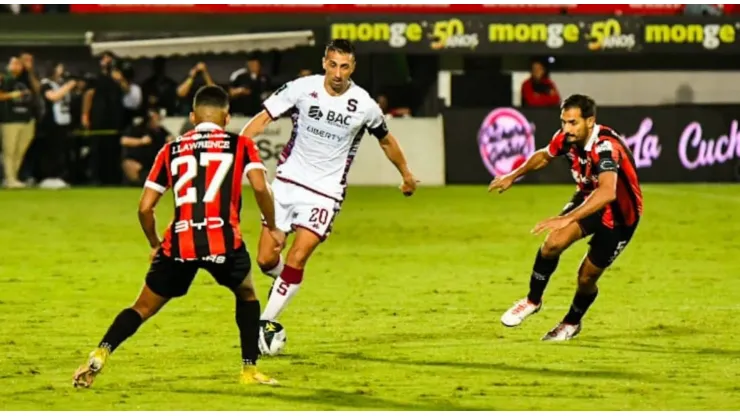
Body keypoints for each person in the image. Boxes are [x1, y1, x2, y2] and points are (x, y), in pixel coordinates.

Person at [73, 85, 286, 388]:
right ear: (227, 118)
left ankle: (100, 353)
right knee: (247, 295)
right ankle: (249, 370)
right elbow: (262, 188)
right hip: (223, 240)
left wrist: (154, 245)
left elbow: (145, 207)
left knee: (142, 307)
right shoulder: (240, 145)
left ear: (192, 117)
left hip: (179, 243)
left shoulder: (171, 149)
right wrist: (272, 225)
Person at [240, 39, 418, 329]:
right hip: (287, 183)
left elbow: (386, 140)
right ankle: (287, 282)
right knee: (264, 258)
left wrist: (406, 174)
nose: (337, 73)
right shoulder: (301, 88)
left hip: (325, 192)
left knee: (298, 256)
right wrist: (240, 151)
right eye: (333, 65)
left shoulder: (364, 105)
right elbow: (262, 119)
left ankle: (264, 325)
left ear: (353, 67)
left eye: (344, 67)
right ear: (325, 62)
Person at [489, 94, 642, 341]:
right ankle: (532, 301)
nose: (566, 129)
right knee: (552, 244)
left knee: (586, 277)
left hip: (619, 217)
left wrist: (566, 218)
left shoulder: (606, 147)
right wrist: (512, 175)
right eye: (563, 122)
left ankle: (571, 322)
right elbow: (543, 156)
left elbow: (607, 192)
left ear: (590, 121)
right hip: (587, 197)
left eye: (573, 123)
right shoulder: (566, 139)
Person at [36, 62, 77, 189]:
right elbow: (53, 97)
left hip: (64, 120)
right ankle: (49, 176)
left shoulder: (60, 83)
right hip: (51, 121)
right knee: (51, 150)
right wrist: (68, 87)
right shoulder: (46, 84)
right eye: (59, 68)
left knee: (62, 150)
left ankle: (60, 175)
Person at [0, 56, 37, 188]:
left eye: (20, 64)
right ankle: (10, 178)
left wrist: (30, 71)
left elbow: (37, 90)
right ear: (8, 65)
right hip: (10, 119)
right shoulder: (4, 78)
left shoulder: (26, 80)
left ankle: (12, 177)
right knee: (9, 150)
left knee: (20, 151)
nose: (17, 66)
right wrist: (15, 95)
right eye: (14, 63)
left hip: (26, 119)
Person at [120, 108, 173, 186]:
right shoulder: (137, 128)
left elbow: (171, 139)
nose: (157, 120)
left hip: (153, 164)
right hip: (137, 162)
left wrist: (170, 140)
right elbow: (124, 140)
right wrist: (141, 141)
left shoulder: (160, 130)